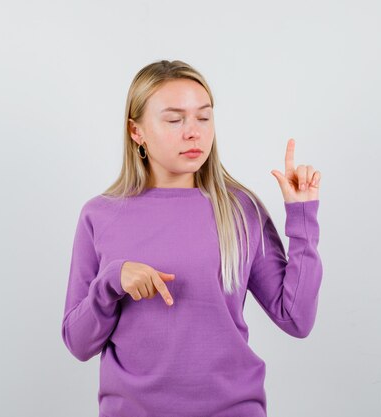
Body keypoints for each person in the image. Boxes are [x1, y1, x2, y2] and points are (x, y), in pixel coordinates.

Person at [60, 59, 323, 417]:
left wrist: (303, 216)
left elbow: (296, 319)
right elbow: (78, 344)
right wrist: (112, 281)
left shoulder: (240, 210)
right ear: (136, 131)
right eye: (174, 119)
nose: (193, 132)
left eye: (203, 117)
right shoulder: (100, 215)